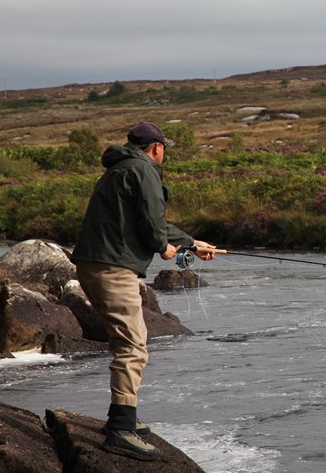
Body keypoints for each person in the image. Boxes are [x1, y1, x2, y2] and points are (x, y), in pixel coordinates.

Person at [71, 121, 215, 461]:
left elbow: (153, 225)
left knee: (129, 342)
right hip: (112, 267)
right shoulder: (144, 170)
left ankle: (122, 417)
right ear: (156, 148)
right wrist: (166, 247)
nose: (165, 153)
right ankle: (121, 430)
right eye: (165, 147)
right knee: (133, 346)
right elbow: (153, 227)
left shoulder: (120, 168)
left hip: (95, 263)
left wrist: (190, 244)